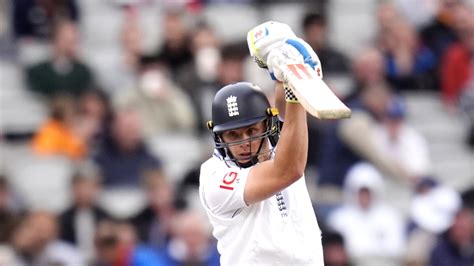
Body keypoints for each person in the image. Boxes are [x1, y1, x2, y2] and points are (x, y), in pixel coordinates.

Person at [199, 21, 324, 265]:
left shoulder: (280, 144)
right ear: (219, 137)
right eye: (233, 135)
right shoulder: (213, 176)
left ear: (267, 125)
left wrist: (283, 74)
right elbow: (289, 170)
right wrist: (294, 87)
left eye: (251, 130)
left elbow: (288, 114)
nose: (244, 142)